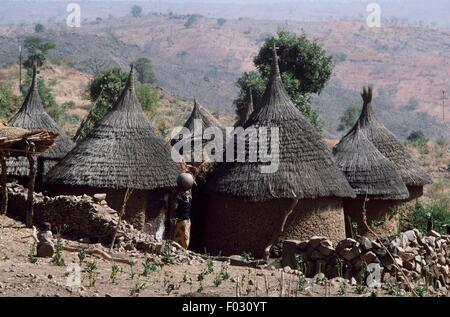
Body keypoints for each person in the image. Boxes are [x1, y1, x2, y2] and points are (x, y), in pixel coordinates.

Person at [172, 173, 195, 249]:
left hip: (183, 221)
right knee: (182, 236)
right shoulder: (189, 195)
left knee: (182, 237)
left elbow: (175, 204)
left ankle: (182, 250)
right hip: (185, 220)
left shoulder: (181, 196)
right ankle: (180, 249)